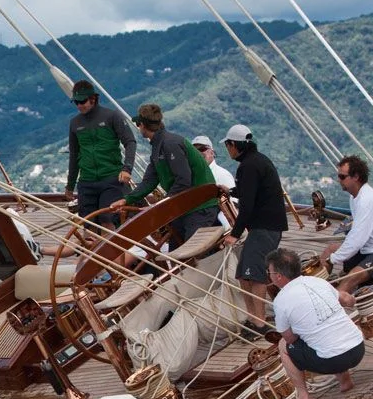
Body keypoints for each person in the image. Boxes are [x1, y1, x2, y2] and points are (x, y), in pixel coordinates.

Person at [266, 249, 365, 399]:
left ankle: (303, 397)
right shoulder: (318, 282)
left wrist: (303, 327)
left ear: (278, 276)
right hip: (358, 349)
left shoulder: (281, 301)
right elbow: (345, 300)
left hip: (333, 360)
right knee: (328, 334)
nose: (268, 275)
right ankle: (345, 381)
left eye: (269, 272)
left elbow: (289, 338)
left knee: (284, 346)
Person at [109, 103, 218, 245]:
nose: (138, 127)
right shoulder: (158, 146)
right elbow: (149, 181)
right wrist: (126, 200)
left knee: (193, 252)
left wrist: (159, 205)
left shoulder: (170, 144)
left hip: (200, 207)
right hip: (183, 207)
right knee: (175, 251)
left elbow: (183, 181)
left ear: (142, 125)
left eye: (138, 124)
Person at [217, 125, 288, 334]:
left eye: (228, 146)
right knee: (244, 275)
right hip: (268, 226)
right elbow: (251, 189)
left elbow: (246, 206)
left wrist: (234, 235)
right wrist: (231, 191)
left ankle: (259, 323)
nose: (227, 150)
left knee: (254, 274)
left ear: (233, 145)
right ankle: (254, 319)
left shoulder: (247, 166)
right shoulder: (257, 161)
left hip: (264, 228)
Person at [319, 155, 373, 305]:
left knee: (351, 277)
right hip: (369, 247)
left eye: (342, 176)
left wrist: (334, 259)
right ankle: (316, 290)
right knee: (329, 250)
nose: (338, 179)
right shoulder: (355, 197)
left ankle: (333, 305)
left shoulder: (367, 200)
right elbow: (357, 237)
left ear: (356, 177)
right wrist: (333, 255)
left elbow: (358, 238)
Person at [64, 79, 136, 226]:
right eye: (76, 102)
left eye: (82, 101)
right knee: (88, 223)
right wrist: (70, 185)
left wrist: (127, 168)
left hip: (111, 179)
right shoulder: (74, 123)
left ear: (93, 99)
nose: (79, 106)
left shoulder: (112, 116)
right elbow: (74, 155)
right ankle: (91, 247)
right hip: (86, 181)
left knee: (107, 218)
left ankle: (111, 248)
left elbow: (130, 142)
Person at [191, 135, 235, 228]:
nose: (198, 153)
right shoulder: (192, 177)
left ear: (212, 152)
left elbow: (234, 203)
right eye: (194, 151)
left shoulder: (222, 174)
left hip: (222, 226)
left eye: (202, 149)